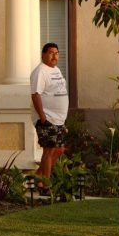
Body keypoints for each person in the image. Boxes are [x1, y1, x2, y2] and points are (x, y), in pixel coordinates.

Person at [30, 42, 68, 183]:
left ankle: (38, 177)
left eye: (57, 53)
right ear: (44, 54)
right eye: (51, 53)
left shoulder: (56, 70)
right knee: (49, 151)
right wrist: (43, 118)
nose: (54, 56)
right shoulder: (40, 71)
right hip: (47, 119)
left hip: (59, 119)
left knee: (59, 150)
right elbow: (35, 95)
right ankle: (45, 185)